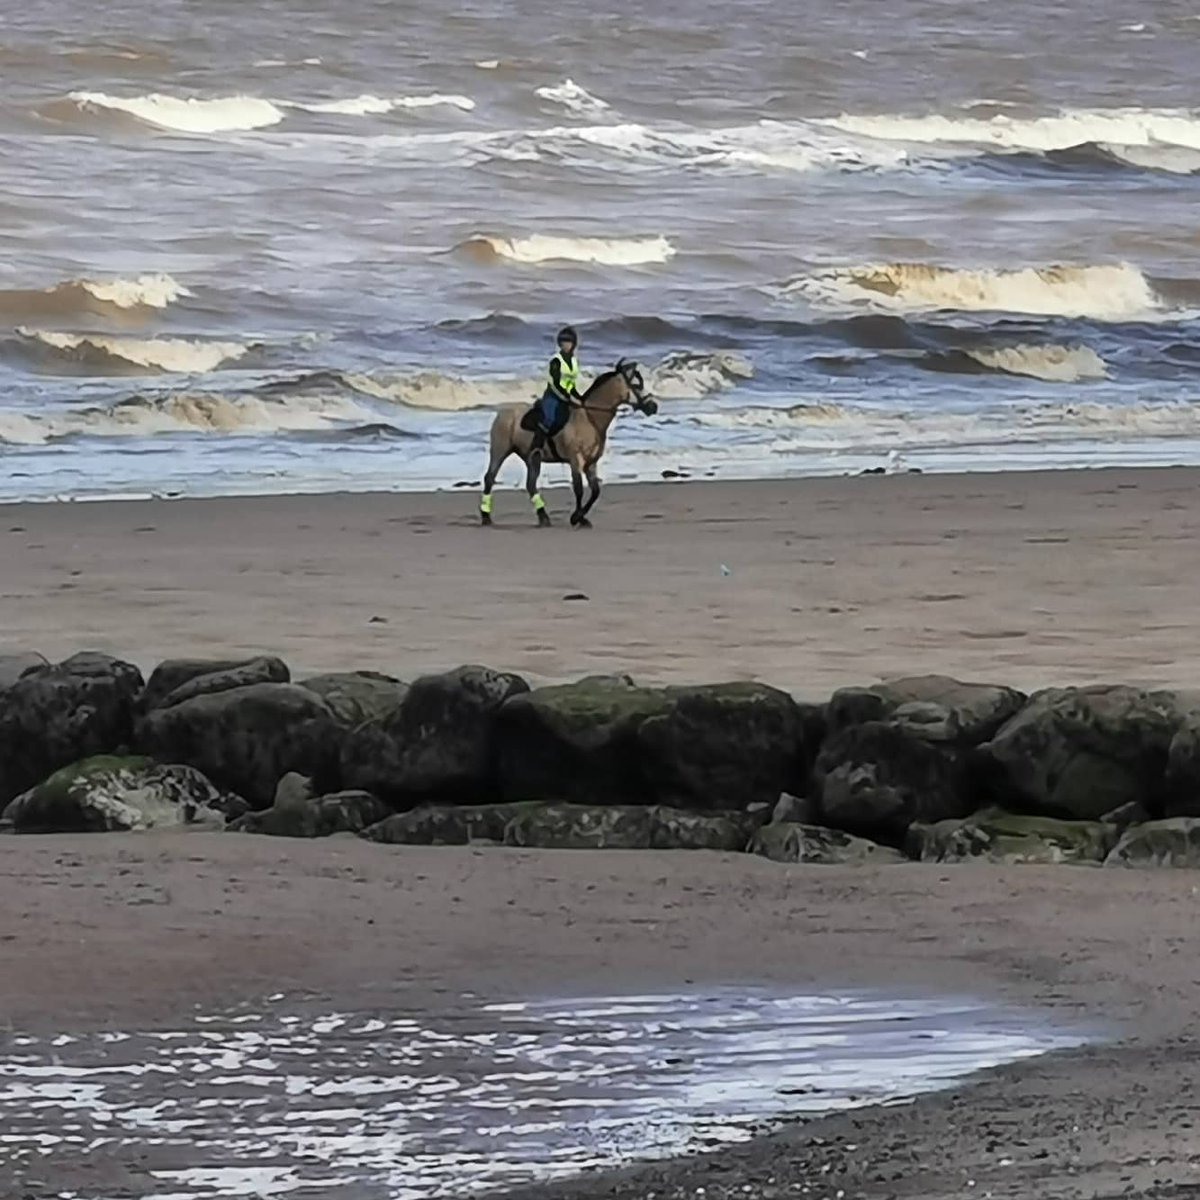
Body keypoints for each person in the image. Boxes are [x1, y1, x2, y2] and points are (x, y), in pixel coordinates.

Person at [532, 326, 582, 455]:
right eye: (563, 342)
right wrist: (566, 397)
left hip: (566, 395)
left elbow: (571, 383)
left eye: (569, 342)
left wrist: (579, 397)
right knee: (549, 419)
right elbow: (554, 383)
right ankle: (536, 449)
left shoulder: (574, 362)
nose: (566, 345)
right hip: (553, 396)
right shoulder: (556, 361)